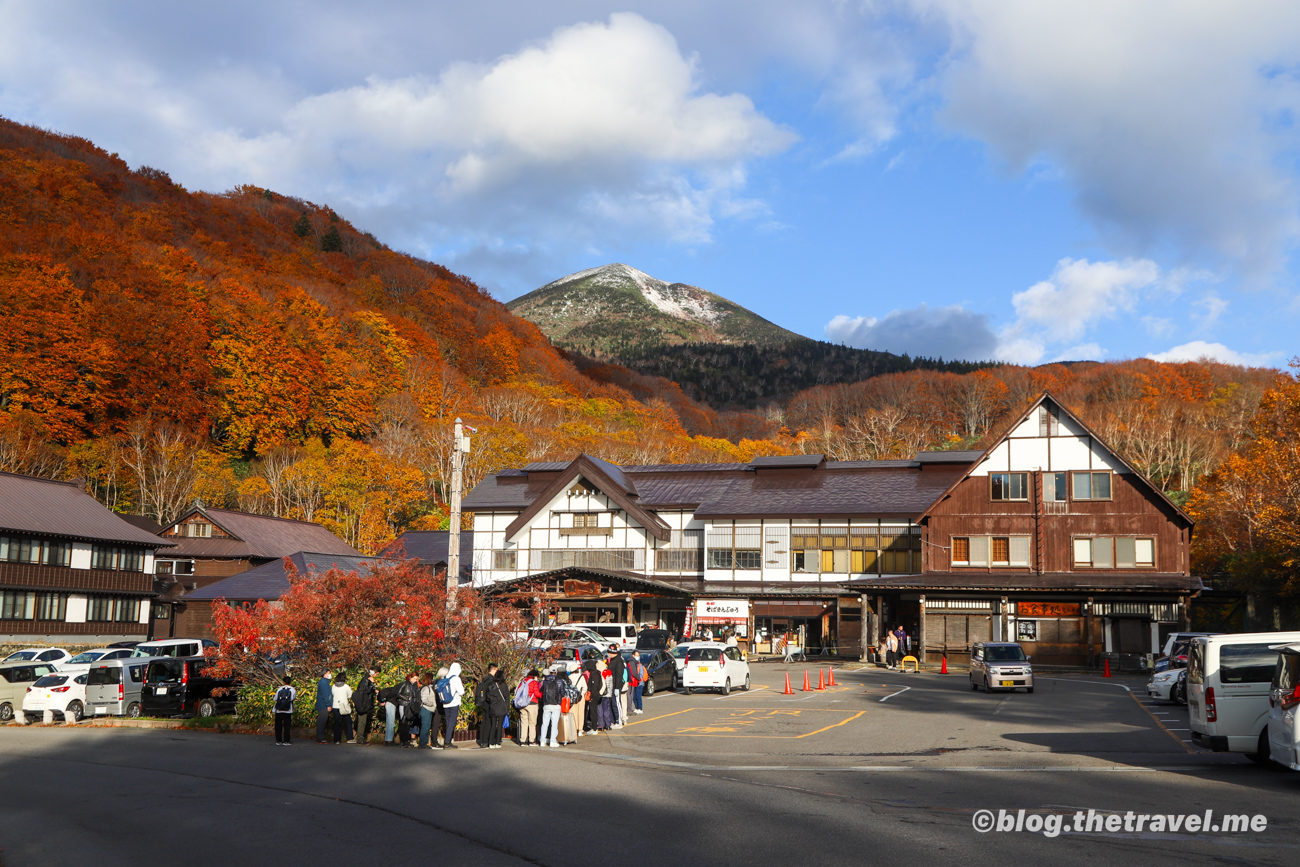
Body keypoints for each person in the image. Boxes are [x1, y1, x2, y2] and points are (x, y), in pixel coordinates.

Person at [440, 663, 465, 749]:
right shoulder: (456, 678)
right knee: (452, 723)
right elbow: (461, 692)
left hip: (445, 703)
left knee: (448, 722)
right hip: (454, 703)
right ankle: (447, 743)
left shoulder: (446, 677)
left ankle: (448, 741)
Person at [538, 668, 564, 748]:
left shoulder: (545, 681)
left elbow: (541, 690)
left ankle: (542, 741)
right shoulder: (560, 681)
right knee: (554, 724)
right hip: (556, 704)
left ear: (549, 672)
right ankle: (553, 741)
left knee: (544, 723)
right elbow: (562, 692)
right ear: (556, 672)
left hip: (546, 704)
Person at [516, 668, 542, 746]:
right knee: (532, 723)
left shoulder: (522, 682)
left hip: (522, 705)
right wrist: (542, 694)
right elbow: (537, 693)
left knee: (524, 722)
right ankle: (531, 741)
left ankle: (522, 741)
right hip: (532, 704)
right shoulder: (534, 682)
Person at [354, 667, 377, 745]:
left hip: (363, 703)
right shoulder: (367, 680)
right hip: (363, 704)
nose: (376, 676)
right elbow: (366, 691)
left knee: (362, 721)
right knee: (362, 722)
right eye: (377, 674)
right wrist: (372, 684)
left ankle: (360, 738)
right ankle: (360, 739)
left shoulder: (365, 679)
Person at [606, 646, 627, 729]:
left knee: (617, 703)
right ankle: (615, 720)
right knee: (613, 703)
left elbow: (618, 675)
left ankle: (619, 721)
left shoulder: (618, 661)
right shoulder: (613, 660)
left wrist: (617, 687)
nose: (609, 654)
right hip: (612, 685)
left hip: (616, 686)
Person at [331, 673, 355, 744]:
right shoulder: (346, 686)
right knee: (348, 722)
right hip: (344, 706)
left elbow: (332, 694)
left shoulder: (333, 686)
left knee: (337, 723)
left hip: (335, 706)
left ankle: (337, 740)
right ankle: (350, 738)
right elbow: (350, 695)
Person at [397, 672, 420, 746]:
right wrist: (407, 698)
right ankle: (402, 741)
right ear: (410, 677)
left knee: (408, 722)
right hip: (404, 704)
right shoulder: (405, 684)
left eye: (417, 679)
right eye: (414, 678)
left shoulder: (415, 686)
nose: (415, 680)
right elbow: (398, 694)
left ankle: (406, 740)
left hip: (411, 705)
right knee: (404, 721)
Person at [418, 673, 438, 749]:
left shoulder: (430, 688)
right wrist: (431, 704)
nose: (433, 680)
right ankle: (422, 744)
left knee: (427, 727)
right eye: (432, 678)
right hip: (426, 709)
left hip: (429, 710)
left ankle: (424, 743)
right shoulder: (426, 688)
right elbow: (424, 699)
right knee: (425, 727)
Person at [273, 676, 295, 746]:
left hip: (278, 710)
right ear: (290, 682)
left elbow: (275, 699)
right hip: (288, 710)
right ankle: (286, 741)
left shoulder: (280, 689)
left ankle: (278, 740)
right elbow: (292, 699)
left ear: (284, 682)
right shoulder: (292, 689)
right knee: (287, 726)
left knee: (278, 726)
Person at [314, 669, 333, 744]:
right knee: (322, 722)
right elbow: (325, 695)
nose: (330, 674)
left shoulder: (323, 682)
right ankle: (320, 738)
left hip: (322, 705)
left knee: (322, 722)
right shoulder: (324, 683)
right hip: (323, 705)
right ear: (324, 674)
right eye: (328, 673)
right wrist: (328, 705)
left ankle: (320, 738)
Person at [596, 660, 615, 731]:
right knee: (606, 710)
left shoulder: (599, 674)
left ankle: (601, 725)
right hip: (607, 694)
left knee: (599, 710)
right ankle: (608, 724)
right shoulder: (609, 674)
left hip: (600, 694)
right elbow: (610, 685)